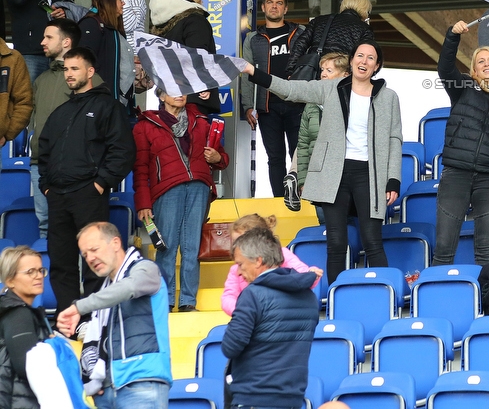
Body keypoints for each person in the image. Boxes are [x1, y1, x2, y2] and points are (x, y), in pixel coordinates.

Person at [244, 40, 401, 284]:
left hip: (369, 174)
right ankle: (337, 299)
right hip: (333, 173)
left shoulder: (389, 97)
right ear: (351, 61)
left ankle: (384, 293)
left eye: (371, 58)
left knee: (372, 240)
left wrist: (393, 179)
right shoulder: (331, 88)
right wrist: (254, 73)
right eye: (360, 55)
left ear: (377, 65)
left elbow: (394, 138)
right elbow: (290, 89)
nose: (364, 61)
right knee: (336, 242)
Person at [38, 47, 135, 316]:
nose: (69, 74)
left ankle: (94, 320)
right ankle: (67, 319)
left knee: (96, 259)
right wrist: (46, 186)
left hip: (88, 194)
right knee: (61, 263)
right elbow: (43, 152)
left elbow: (123, 151)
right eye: (66, 69)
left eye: (75, 69)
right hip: (57, 196)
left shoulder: (108, 106)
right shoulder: (59, 112)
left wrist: (100, 183)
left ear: (90, 72)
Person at [434, 21, 489, 266]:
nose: (486, 64)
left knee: (485, 253)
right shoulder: (462, 87)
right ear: (474, 70)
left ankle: (486, 304)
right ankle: (439, 303)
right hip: (456, 175)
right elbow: (444, 67)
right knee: (443, 249)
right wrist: (452, 35)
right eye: (480, 61)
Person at [133, 88, 229, 312]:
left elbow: (221, 158)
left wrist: (217, 158)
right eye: (173, 90)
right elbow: (140, 168)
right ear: (160, 96)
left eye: (183, 90)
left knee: (192, 248)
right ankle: (164, 302)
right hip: (166, 189)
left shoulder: (202, 121)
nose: (180, 94)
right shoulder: (144, 125)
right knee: (166, 247)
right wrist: (143, 203)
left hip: (199, 186)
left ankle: (188, 301)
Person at [57, 222, 171, 409]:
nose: (90, 258)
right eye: (85, 255)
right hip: (107, 390)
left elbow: (129, 287)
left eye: (94, 249)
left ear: (116, 243)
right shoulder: (106, 290)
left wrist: (79, 307)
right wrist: (97, 378)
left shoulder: (146, 269)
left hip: (141, 382)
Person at [221, 227, 318, 409]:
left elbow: (230, 347)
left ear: (258, 261)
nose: (238, 272)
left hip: (253, 397)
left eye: (240, 264)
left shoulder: (252, 295)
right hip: (293, 398)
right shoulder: (309, 297)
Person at [29, 19, 97, 239]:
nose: (42, 42)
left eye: (49, 37)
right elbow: (33, 121)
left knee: (81, 232)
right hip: (42, 166)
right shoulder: (41, 80)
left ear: (66, 41)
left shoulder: (91, 79)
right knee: (45, 228)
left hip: (77, 170)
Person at [242, 0, 306, 197]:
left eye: (279, 3)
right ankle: (280, 200)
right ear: (263, 7)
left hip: (297, 104)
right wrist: (248, 106)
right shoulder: (253, 39)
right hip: (267, 106)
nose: (274, 6)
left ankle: (302, 197)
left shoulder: (300, 33)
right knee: (275, 157)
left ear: (285, 9)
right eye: (270, 2)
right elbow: (247, 73)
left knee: (299, 154)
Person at [220, 214, 321, 316]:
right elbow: (228, 297)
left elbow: (301, 276)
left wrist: (311, 274)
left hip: (281, 313)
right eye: (234, 243)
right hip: (250, 319)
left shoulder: (282, 254)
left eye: (242, 241)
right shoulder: (237, 270)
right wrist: (245, 310)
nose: (237, 247)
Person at [296, 53, 349, 225]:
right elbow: (303, 145)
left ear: (345, 75)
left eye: (329, 70)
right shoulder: (311, 104)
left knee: (352, 229)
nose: (323, 74)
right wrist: (303, 180)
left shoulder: (354, 102)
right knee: (326, 228)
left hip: (347, 177)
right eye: (322, 70)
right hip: (319, 179)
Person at [148, 0, 219, 114]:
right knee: (192, 132)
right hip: (194, 96)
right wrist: (204, 83)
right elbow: (198, 54)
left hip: (171, 98)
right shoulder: (195, 21)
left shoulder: (168, 28)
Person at [0, 246, 51, 409]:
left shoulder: (12, 310)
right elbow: (28, 367)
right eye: (30, 272)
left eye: (40, 270)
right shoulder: (18, 314)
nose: (38, 276)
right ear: (10, 280)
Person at [286, 0, 373, 79]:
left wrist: (291, 70)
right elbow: (368, 57)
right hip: (341, 75)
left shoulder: (319, 20)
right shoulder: (364, 28)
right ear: (365, 9)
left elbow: (300, 44)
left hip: (314, 72)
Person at [78, 0, 133, 104]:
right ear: (108, 0)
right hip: (98, 103)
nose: (123, 3)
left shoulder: (113, 29)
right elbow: (84, 63)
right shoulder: (91, 24)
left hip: (117, 102)